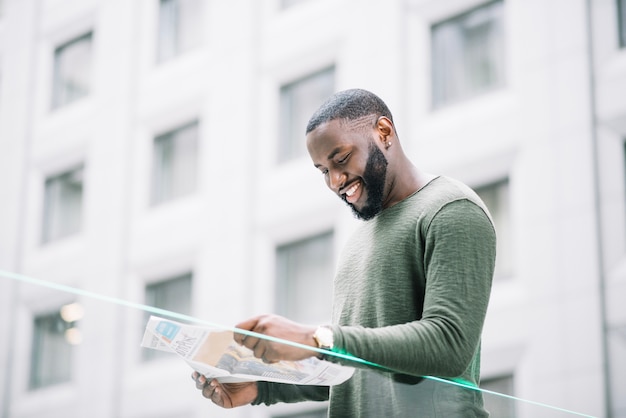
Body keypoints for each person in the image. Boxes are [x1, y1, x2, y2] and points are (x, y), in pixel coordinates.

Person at [192, 88, 496, 417]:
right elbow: (355, 366)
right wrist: (262, 387)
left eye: (341, 159)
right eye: (323, 170)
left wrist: (316, 337)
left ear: (383, 132)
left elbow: (448, 344)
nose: (335, 180)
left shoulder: (451, 210)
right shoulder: (360, 239)